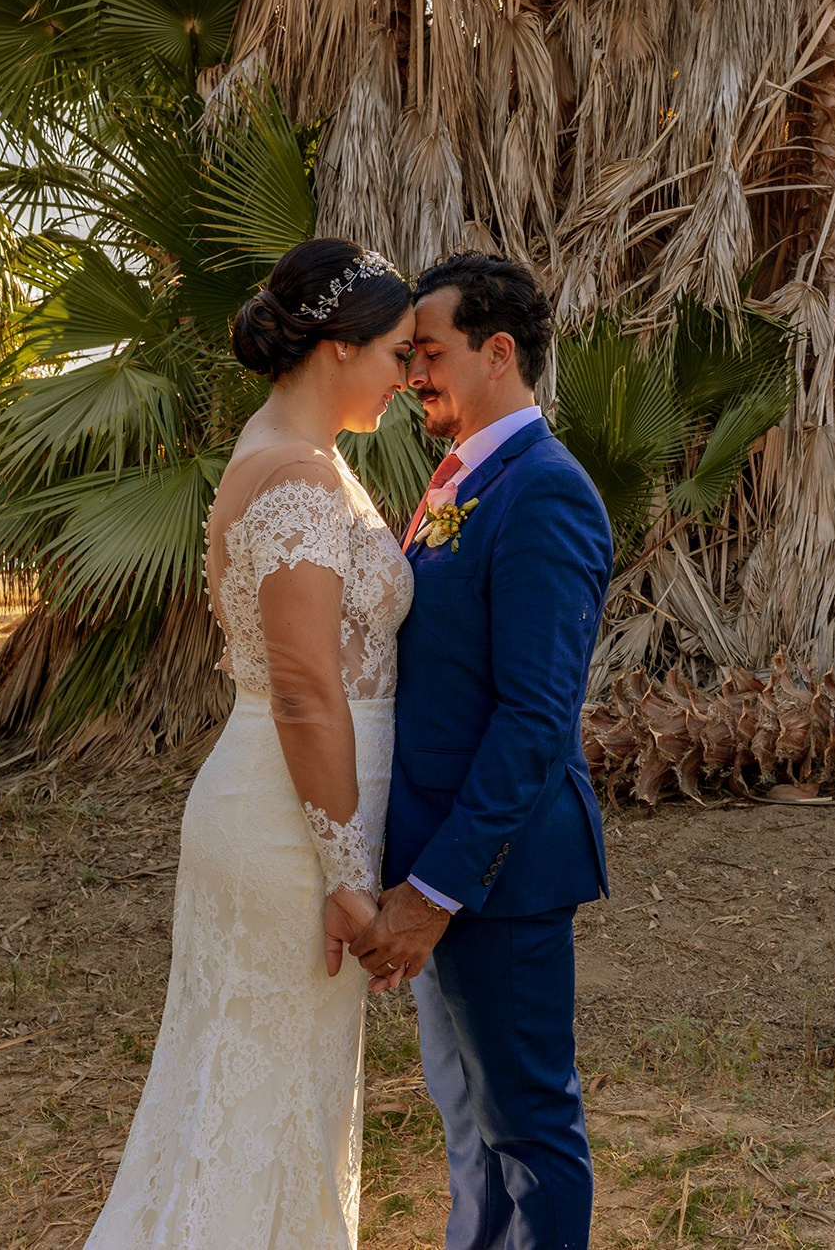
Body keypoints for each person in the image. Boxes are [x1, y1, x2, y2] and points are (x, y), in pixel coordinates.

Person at [85, 238, 415, 1250]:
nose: (408, 375)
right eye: (398, 352)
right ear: (339, 348)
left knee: (273, 1100)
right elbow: (308, 691)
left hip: (293, 819)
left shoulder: (308, 464)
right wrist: (350, 875)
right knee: (253, 1091)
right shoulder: (295, 482)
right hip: (289, 831)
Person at [349, 253, 613, 1250]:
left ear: (496, 352)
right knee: (470, 1129)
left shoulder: (543, 492)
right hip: (438, 864)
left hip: (497, 879)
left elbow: (534, 720)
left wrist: (435, 892)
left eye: (429, 352)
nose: (412, 372)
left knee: (528, 1130)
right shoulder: (458, 477)